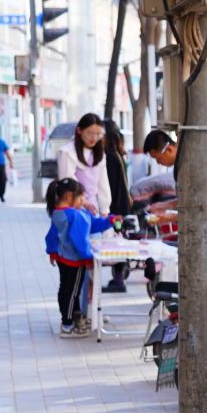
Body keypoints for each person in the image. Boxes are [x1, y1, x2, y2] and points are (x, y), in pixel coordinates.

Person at [45, 177, 117, 338]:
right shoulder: (76, 215)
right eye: (81, 198)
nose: (83, 201)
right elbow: (80, 239)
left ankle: (69, 318)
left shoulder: (57, 212)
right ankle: (67, 325)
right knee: (73, 292)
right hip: (75, 260)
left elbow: (52, 235)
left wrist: (52, 251)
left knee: (65, 289)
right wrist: (87, 257)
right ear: (69, 196)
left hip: (62, 258)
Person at [56, 113, 111, 216]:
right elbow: (67, 182)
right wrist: (84, 202)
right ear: (79, 130)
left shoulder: (99, 155)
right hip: (73, 208)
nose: (94, 138)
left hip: (93, 208)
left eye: (98, 134)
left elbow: (103, 184)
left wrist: (105, 210)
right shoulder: (67, 152)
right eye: (90, 133)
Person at [102, 120, 132, 293]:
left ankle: (119, 280)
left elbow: (111, 187)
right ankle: (118, 278)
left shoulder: (110, 156)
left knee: (117, 241)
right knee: (118, 239)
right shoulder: (116, 154)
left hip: (117, 209)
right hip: (121, 207)